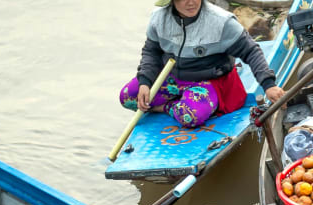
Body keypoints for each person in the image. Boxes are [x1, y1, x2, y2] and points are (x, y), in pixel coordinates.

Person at [120, 0, 285, 130]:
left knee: (189, 115)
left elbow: (251, 51)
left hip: (207, 82)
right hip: (172, 78)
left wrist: (268, 85)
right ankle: (176, 103)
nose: (191, 2)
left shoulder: (221, 21)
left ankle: (167, 106)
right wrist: (145, 82)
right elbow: (151, 52)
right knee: (128, 97)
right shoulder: (159, 18)